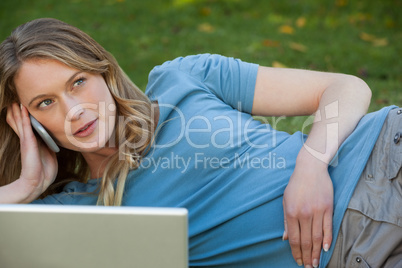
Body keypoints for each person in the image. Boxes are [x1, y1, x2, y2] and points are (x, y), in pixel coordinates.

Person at [0, 18, 400, 267]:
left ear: (103, 71)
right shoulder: (73, 211)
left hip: (383, 160)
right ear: (28, 122)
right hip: (357, 252)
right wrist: (25, 186)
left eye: (78, 82)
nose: (75, 110)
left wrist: (311, 167)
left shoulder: (184, 78)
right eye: (46, 103)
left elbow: (344, 88)